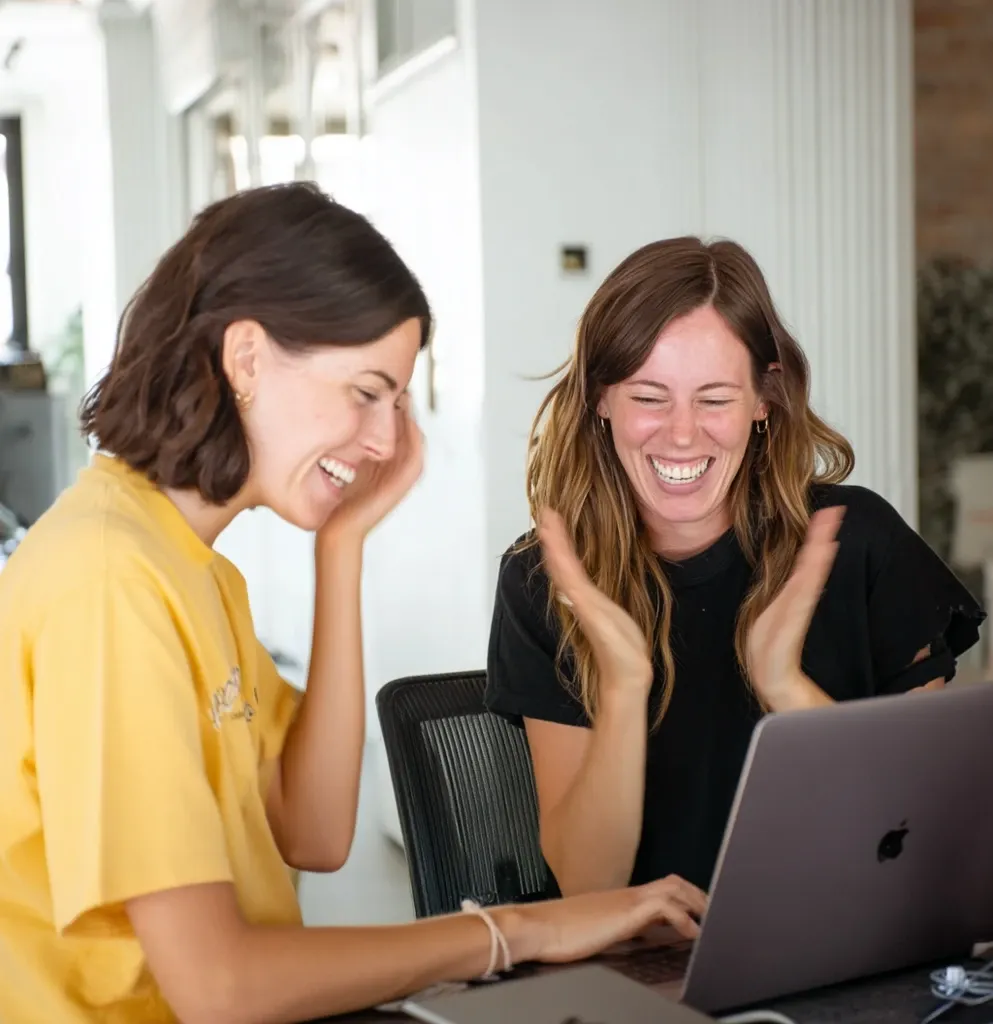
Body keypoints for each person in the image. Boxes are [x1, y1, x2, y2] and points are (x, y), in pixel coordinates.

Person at [0, 183, 708, 1024]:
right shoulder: (111, 580)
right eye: (366, 391)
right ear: (248, 358)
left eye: (398, 404)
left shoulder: (185, 564)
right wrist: (517, 929)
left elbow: (313, 831)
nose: (383, 441)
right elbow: (219, 987)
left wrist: (340, 551)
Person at [484, 235, 987, 900]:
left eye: (714, 398)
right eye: (648, 396)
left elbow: (922, 842)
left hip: (844, 945)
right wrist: (625, 687)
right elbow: (586, 883)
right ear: (600, 400)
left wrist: (785, 688)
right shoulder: (541, 580)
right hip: (650, 972)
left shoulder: (858, 542)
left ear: (762, 401)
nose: (683, 434)